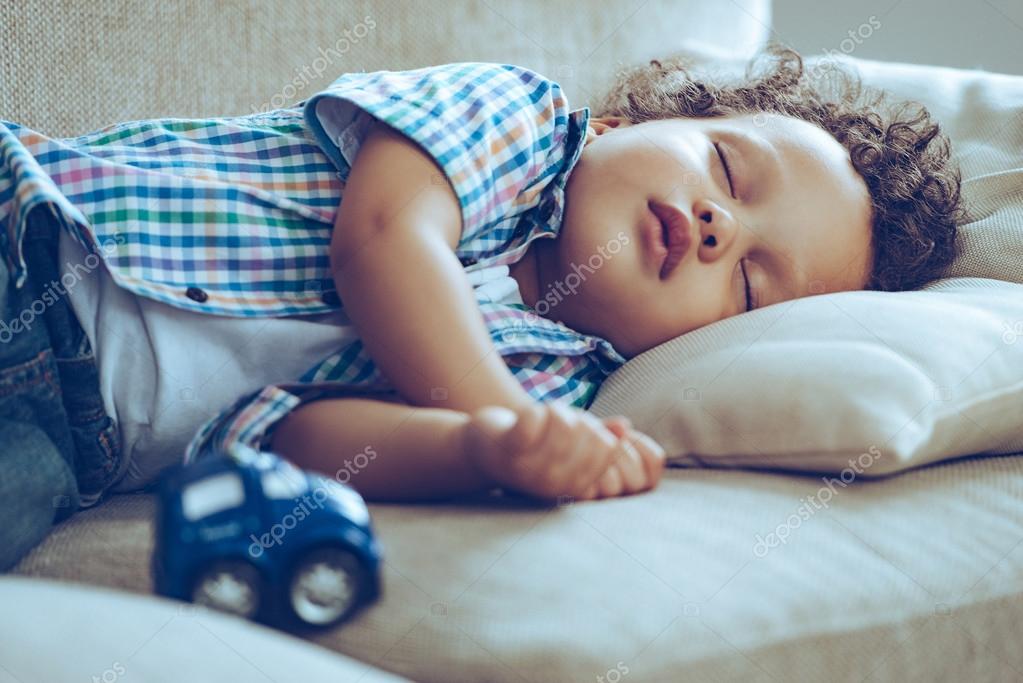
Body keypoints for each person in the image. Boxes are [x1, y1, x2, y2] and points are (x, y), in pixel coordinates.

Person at [0, 43, 963, 569]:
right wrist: (494, 410)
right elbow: (381, 242)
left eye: (749, 280)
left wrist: (481, 452)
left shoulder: (564, 383)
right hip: (29, 230)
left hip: (62, 442)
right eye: (725, 168)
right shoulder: (520, 121)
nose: (716, 225)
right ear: (643, 120)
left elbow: (289, 443)